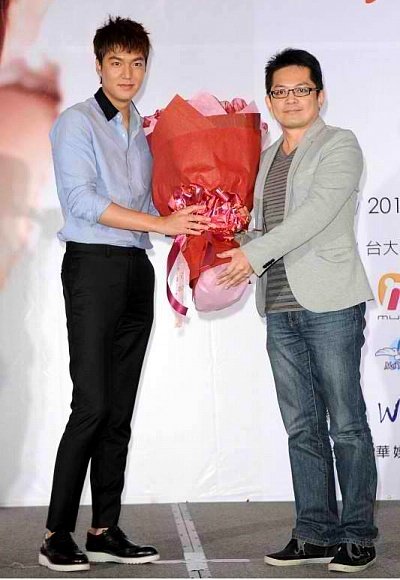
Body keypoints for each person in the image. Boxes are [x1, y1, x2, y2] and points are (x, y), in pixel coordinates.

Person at [39, 16, 209, 572]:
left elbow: (154, 203)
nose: (128, 73)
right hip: (92, 267)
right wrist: (161, 224)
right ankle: (55, 533)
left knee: (118, 411)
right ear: (98, 65)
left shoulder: (145, 130)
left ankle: (103, 529)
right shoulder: (76, 123)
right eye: (116, 62)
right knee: (91, 405)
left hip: (137, 268)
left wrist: (200, 212)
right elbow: (82, 201)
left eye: (137, 63)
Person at [217, 48, 378, 573]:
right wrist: (222, 234)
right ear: (269, 100)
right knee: (301, 427)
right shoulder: (265, 158)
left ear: (320, 95)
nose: (291, 99)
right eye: (280, 92)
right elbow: (262, 230)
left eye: (301, 90)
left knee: (346, 424)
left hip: (330, 304)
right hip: (279, 306)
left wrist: (252, 252)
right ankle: (313, 533)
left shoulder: (340, 144)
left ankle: (358, 534)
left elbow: (314, 215)